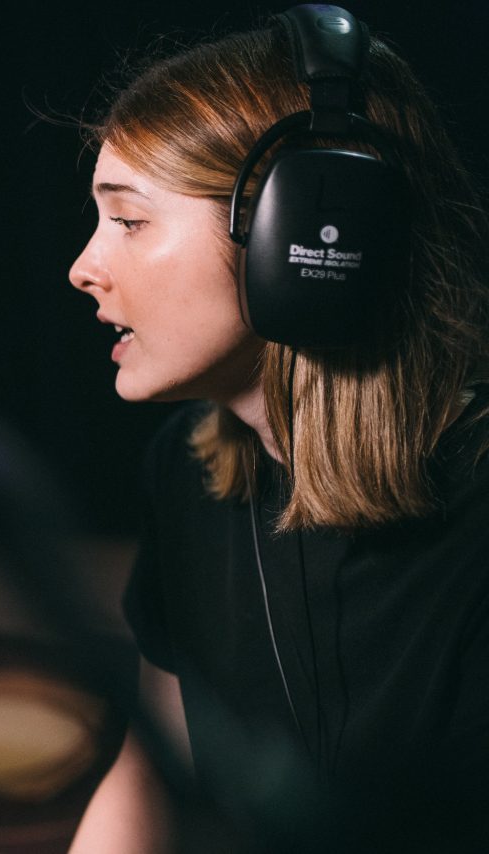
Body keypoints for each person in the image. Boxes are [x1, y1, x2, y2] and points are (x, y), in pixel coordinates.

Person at [64, 6, 489, 852]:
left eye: (130, 220)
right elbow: (150, 766)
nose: (83, 268)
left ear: (295, 238)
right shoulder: (184, 474)